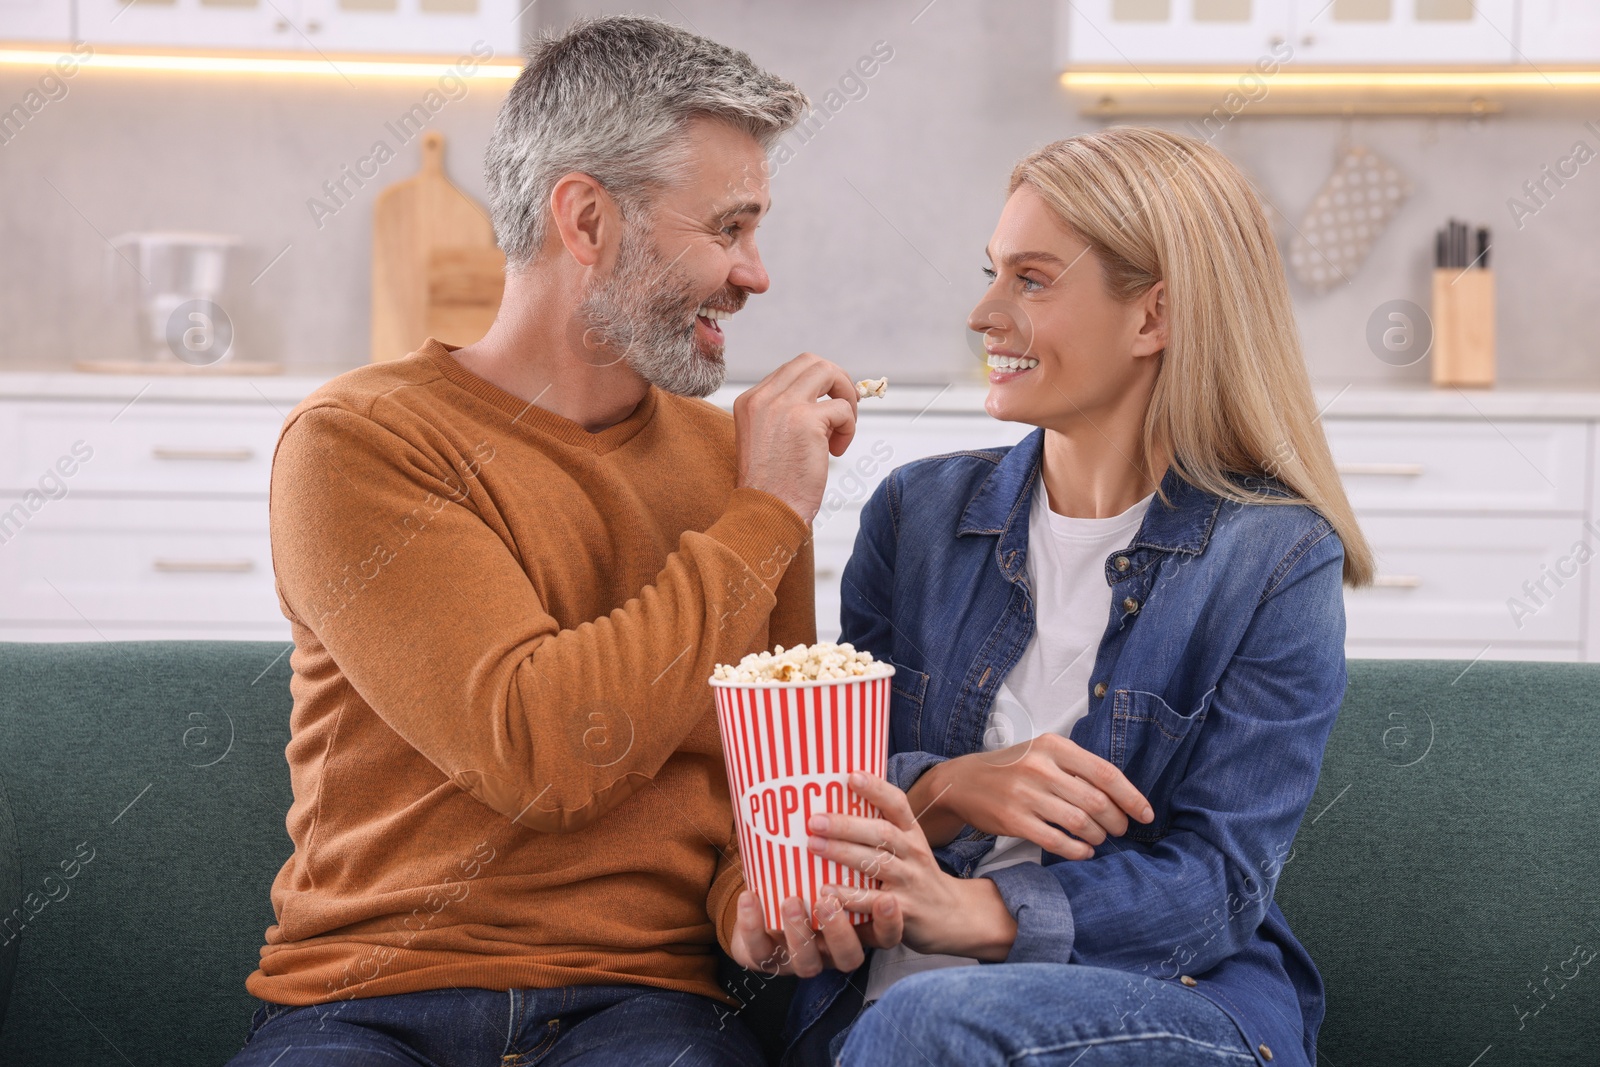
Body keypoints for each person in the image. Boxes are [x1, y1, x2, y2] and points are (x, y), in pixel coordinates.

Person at [229, 16, 900, 1067]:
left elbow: (755, 783)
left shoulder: (742, 463)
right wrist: (764, 512)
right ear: (586, 219)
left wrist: (749, 907)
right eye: (728, 228)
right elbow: (543, 752)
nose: (755, 275)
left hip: (642, 1007)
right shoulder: (359, 441)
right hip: (363, 1002)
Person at [769, 127, 1375, 1067]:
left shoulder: (1276, 557)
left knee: (923, 1026)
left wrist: (975, 910)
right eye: (991, 271)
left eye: (1032, 280)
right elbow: (840, 787)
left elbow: (1218, 884)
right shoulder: (915, 514)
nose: (983, 312)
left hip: (1162, 1006)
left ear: (1154, 316)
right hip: (880, 1008)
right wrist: (951, 788)